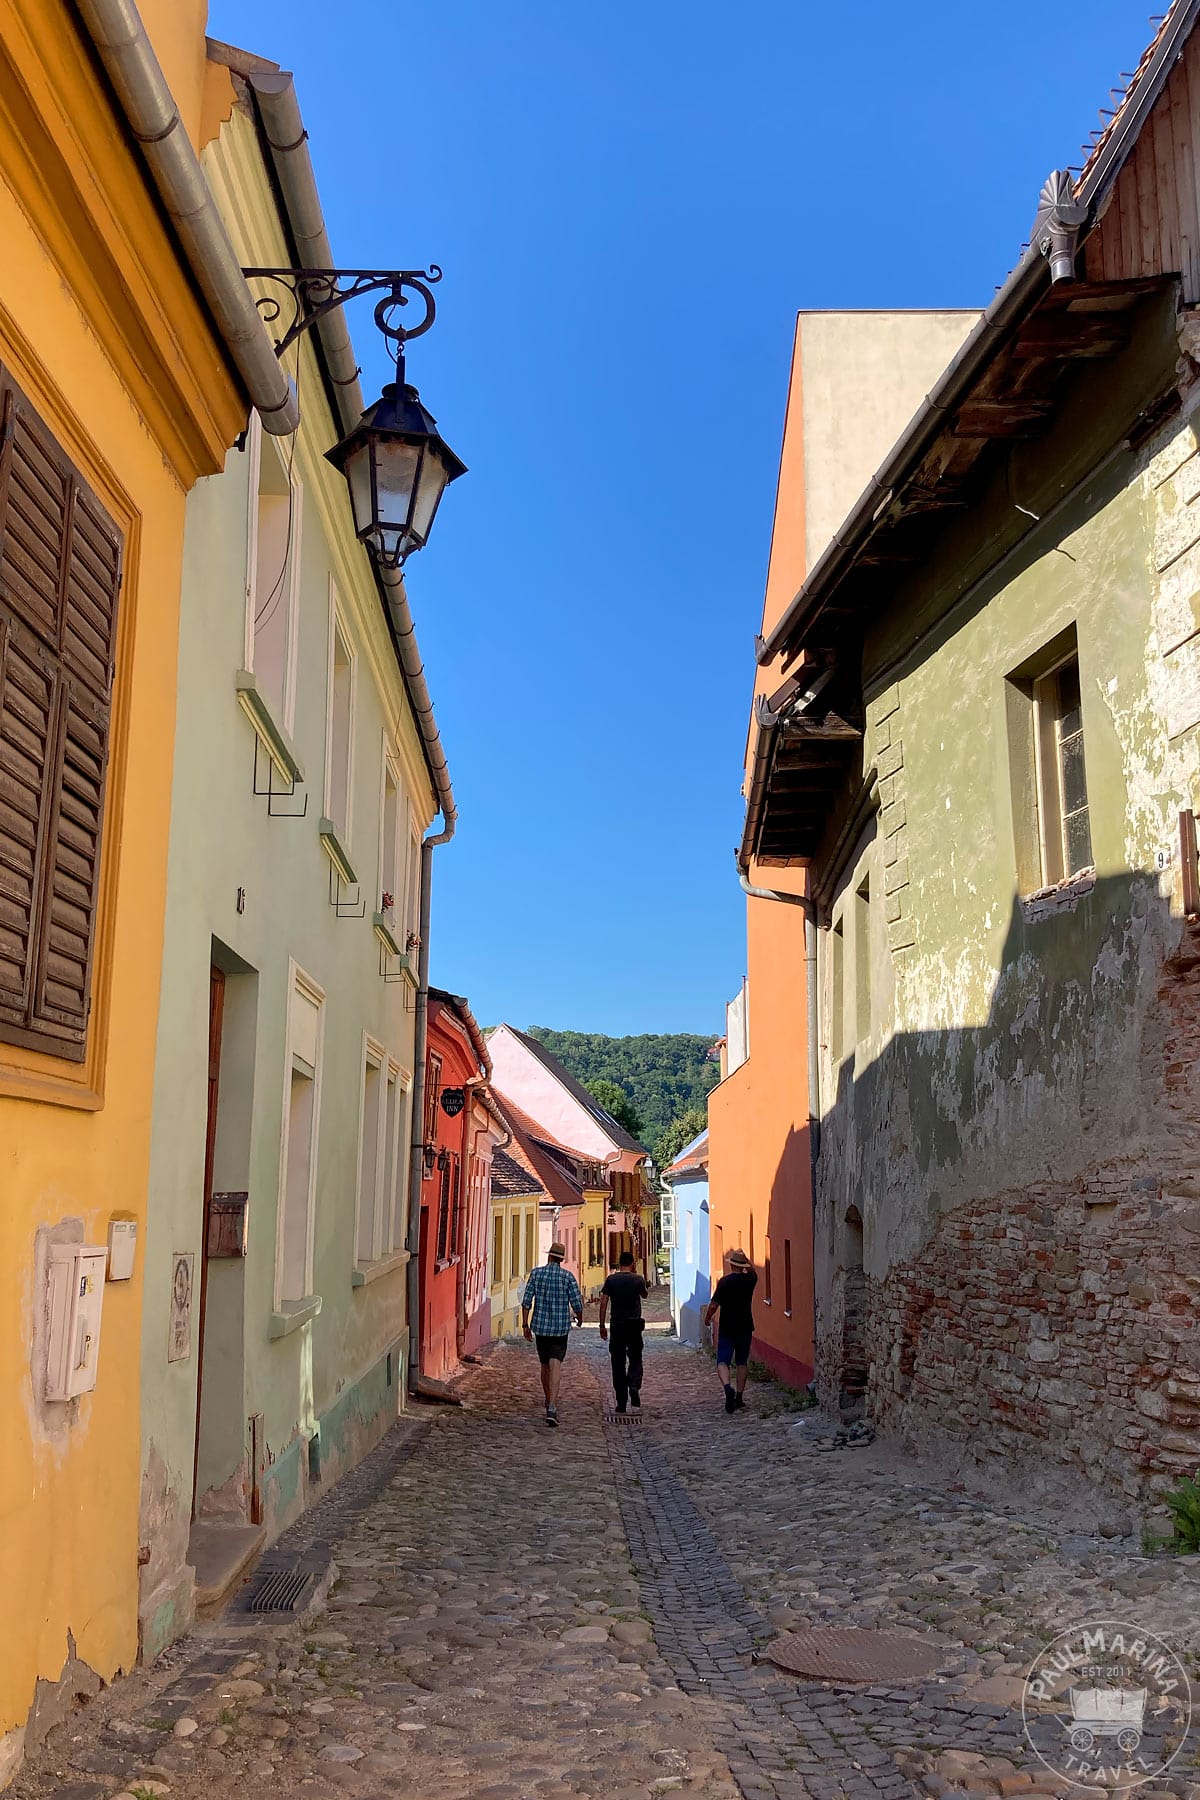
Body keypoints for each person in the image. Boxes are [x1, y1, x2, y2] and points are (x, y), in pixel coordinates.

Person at [521, 1241, 583, 1427]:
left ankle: (548, 1399)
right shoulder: (567, 1277)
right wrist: (579, 1317)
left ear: (549, 1256)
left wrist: (525, 1324)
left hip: (541, 1328)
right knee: (555, 1364)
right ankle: (553, 1407)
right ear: (561, 1260)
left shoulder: (536, 1274)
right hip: (560, 1328)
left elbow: (526, 1301)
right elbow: (577, 1302)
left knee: (544, 1365)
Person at [703, 1247, 758, 1414]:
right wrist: (745, 1260)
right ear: (743, 1266)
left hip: (727, 1326)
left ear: (731, 1265)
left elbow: (714, 1305)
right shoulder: (750, 1280)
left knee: (722, 1361)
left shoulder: (724, 1282)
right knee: (742, 1362)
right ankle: (739, 1397)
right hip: (745, 1326)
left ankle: (727, 1388)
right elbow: (752, 1270)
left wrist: (708, 1317)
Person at [599, 1249, 648, 1413]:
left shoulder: (611, 1280)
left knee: (618, 1362)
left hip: (617, 1325)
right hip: (634, 1324)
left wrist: (601, 1324)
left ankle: (621, 1402)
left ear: (619, 1264)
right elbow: (645, 1295)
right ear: (632, 1264)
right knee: (635, 1357)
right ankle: (634, 1385)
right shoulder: (638, 1279)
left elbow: (604, 1302)